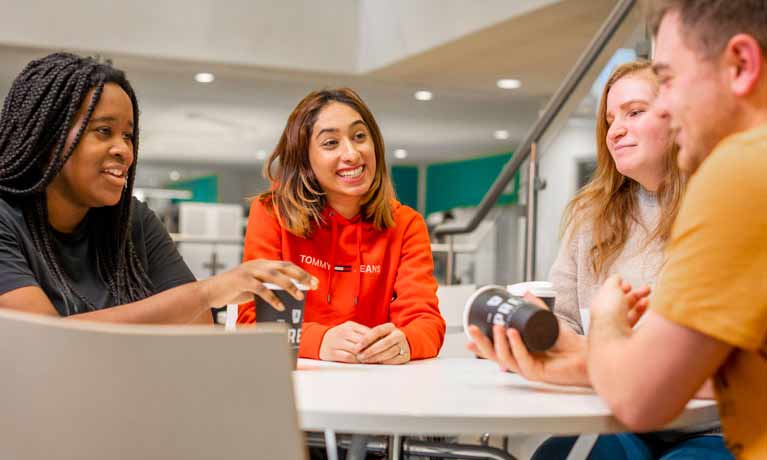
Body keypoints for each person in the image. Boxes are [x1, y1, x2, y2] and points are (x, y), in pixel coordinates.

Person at [471, 59, 730, 460]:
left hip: (716, 426)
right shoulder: (590, 215)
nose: (616, 131)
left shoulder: (726, 205)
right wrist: (537, 328)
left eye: (635, 112)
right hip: (620, 417)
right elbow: (570, 322)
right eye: (610, 119)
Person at [0, 52, 316, 323]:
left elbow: (196, 323)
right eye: (104, 131)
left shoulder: (132, 221)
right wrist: (207, 292)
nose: (124, 150)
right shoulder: (6, 220)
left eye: (128, 135)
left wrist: (198, 300)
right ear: (46, 141)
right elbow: (42, 340)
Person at [237, 88, 445, 364]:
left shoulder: (406, 223)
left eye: (359, 137)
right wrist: (320, 340)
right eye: (331, 143)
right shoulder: (271, 214)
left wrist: (405, 342)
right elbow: (252, 320)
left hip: (376, 382)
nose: (351, 154)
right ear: (305, 159)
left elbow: (426, 322)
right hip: (298, 381)